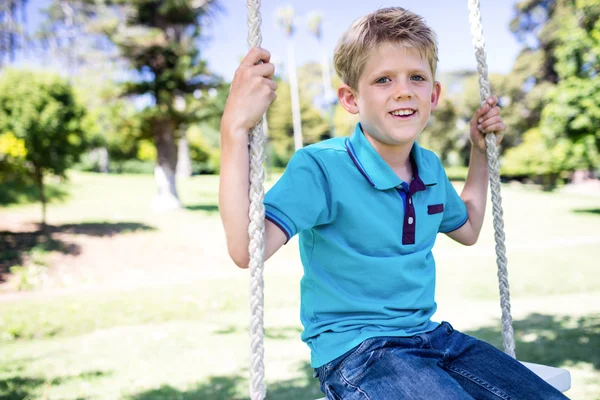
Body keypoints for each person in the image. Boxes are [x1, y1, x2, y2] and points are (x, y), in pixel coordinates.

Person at [219, 6, 567, 400]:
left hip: (435, 340)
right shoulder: (322, 168)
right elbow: (246, 248)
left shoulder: (430, 168)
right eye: (383, 79)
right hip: (359, 352)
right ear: (351, 99)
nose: (403, 90)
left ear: (433, 94)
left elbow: (467, 228)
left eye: (416, 77)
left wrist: (480, 152)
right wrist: (234, 128)